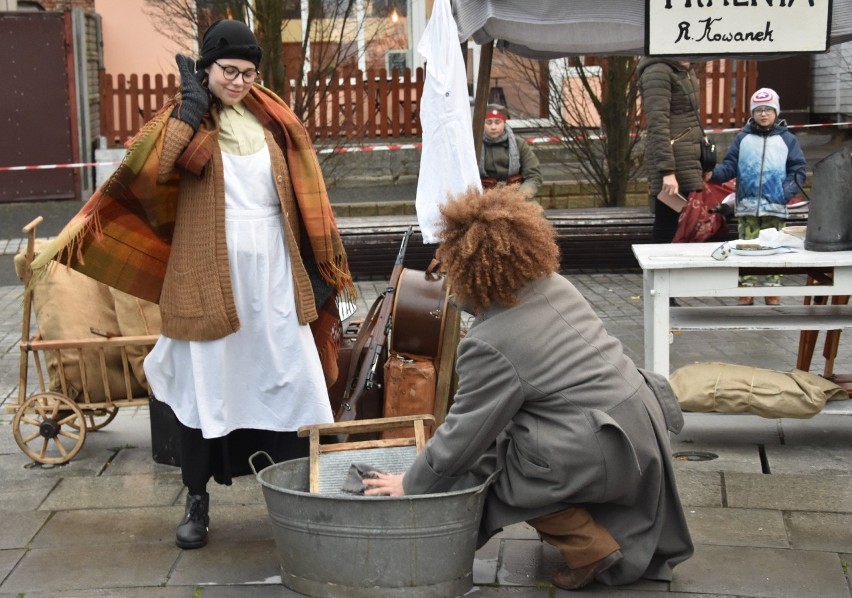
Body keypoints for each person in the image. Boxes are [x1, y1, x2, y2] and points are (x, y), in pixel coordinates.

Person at [363, 186, 693, 591]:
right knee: (516, 438)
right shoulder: (553, 283)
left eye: (449, 267)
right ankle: (590, 528)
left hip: (602, 446)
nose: (446, 279)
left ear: (471, 269)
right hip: (640, 426)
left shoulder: (491, 343)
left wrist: (411, 484)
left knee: (495, 471)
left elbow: (464, 434)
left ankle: (589, 545)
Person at [133, 20, 351, 549]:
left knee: (294, 381)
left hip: (274, 281)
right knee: (208, 388)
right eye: (228, 71)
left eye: (248, 72)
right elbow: (155, 174)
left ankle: (307, 497)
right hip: (208, 280)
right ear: (206, 67)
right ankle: (197, 501)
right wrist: (188, 109)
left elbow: (296, 196)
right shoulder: (183, 118)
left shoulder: (271, 120)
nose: (238, 81)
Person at [709, 87, 807, 306]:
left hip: (776, 205)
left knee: (775, 249)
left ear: (776, 112)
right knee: (746, 247)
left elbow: (798, 169)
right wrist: (713, 173)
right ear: (752, 113)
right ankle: (746, 289)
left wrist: (785, 193)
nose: (763, 114)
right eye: (759, 110)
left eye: (768, 110)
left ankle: (772, 289)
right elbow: (729, 165)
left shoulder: (788, 139)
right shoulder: (743, 138)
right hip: (747, 206)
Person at [637, 58, 706, 245]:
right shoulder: (658, 72)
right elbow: (657, 125)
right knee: (666, 227)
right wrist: (668, 172)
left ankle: (674, 273)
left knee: (679, 227)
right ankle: (656, 273)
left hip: (686, 160)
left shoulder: (683, 69)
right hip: (672, 166)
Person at [479, 104, 543, 199]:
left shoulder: (519, 144)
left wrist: (521, 196)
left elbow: (533, 175)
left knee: (537, 213)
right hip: (483, 196)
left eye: (497, 122)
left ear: (504, 123)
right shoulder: (473, 145)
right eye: (488, 122)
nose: (493, 127)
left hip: (516, 195)